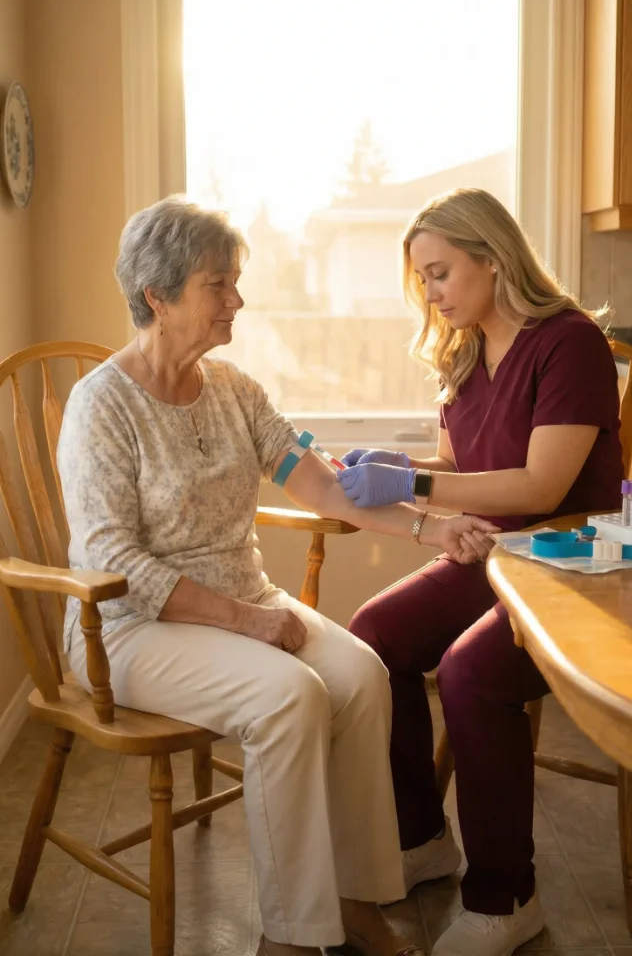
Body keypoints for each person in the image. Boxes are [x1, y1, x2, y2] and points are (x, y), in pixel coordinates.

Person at [58, 196, 497, 956]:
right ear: (157, 297)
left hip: (242, 603)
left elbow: (325, 485)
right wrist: (250, 622)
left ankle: (355, 898)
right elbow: (114, 562)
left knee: (360, 674)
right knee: (289, 696)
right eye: (216, 285)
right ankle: (291, 937)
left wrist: (432, 528)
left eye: (235, 281)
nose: (237, 300)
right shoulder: (102, 406)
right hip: (131, 629)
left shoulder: (234, 389)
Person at [340, 188, 623, 956]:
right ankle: (421, 835)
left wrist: (414, 485)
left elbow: (538, 488)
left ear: (493, 261)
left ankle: (507, 897)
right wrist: (404, 467)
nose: (429, 293)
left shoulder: (568, 344)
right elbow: (465, 469)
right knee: (374, 637)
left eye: (439, 273)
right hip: (497, 557)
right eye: (422, 279)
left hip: (575, 568)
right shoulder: (464, 353)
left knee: (471, 674)